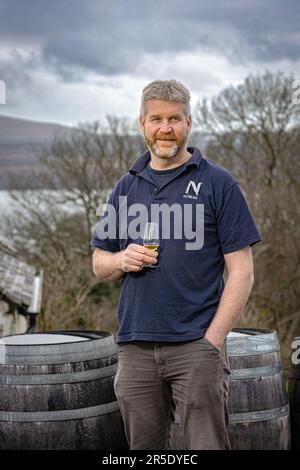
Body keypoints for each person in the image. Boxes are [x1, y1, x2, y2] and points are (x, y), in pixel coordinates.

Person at [91, 79, 262, 450]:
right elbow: (99, 263)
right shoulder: (126, 186)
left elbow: (242, 272)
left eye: (174, 119)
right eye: (155, 119)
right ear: (142, 125)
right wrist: (122, 259)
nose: (165, 128)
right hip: (135, 347)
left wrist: (212, 341)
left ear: (189, 123)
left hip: (196, 346)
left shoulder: (219, 183)